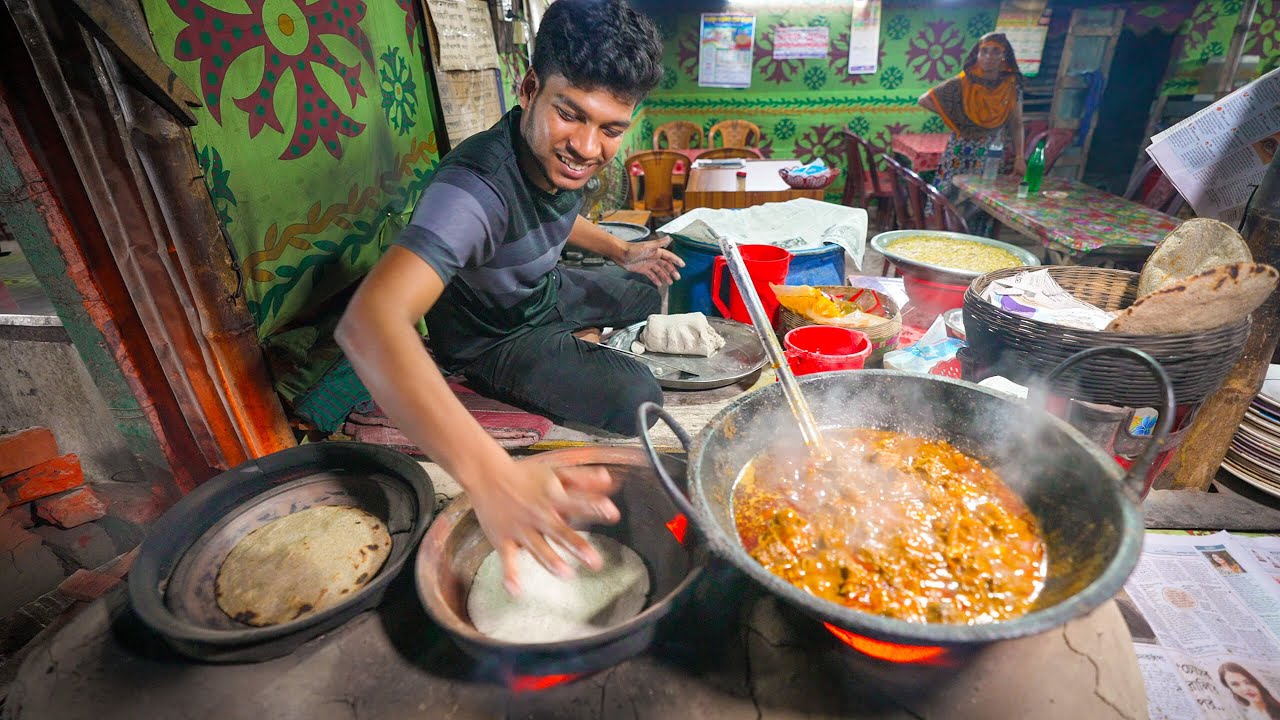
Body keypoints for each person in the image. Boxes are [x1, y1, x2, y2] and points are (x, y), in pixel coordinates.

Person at [336, 0, 679, 594]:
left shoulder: (560, 157)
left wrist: (622, 252)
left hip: (540, 289)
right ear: (528, 88)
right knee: (638, 395)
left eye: (612, 129)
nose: (589, 147)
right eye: (571, 115)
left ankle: (585, 325)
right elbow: (370, 322)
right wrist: (490, 476)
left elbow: (556, 213)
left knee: (645, 292)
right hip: (494, 336)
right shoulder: (473, 189)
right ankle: (512, 369)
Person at [918, 32, 1026, 195]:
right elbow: (925, 100)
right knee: (948, 197)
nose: (989, 56)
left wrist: (1019, 157)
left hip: (991, 151)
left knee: (981, 201)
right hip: (960, 148)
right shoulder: (963, 82)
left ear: (1004, 55)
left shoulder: (1011, 86)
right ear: (977, 55)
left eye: (996, 51)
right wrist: (960, 119)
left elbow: (1017, 124)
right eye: (984, 51)